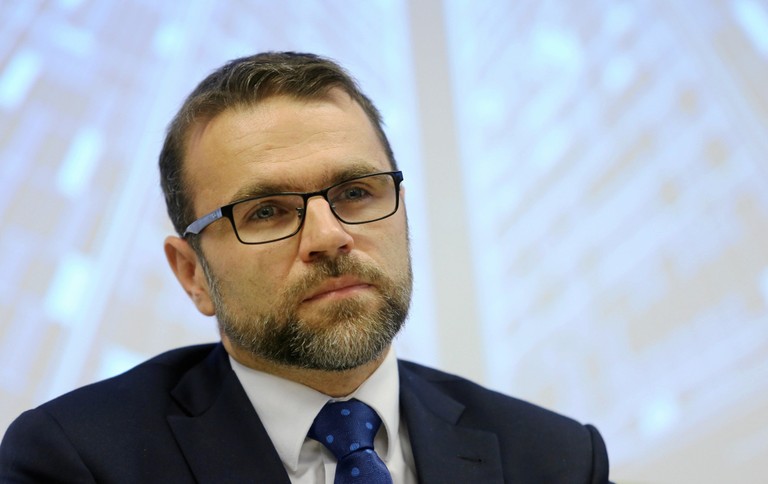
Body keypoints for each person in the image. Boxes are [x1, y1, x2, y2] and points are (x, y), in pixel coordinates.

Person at [0, 52, 611, 483]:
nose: (329, 236)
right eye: (266, 211)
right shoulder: (76, 461)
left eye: (356, 193)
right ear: (192, 274)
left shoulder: (557, 460)